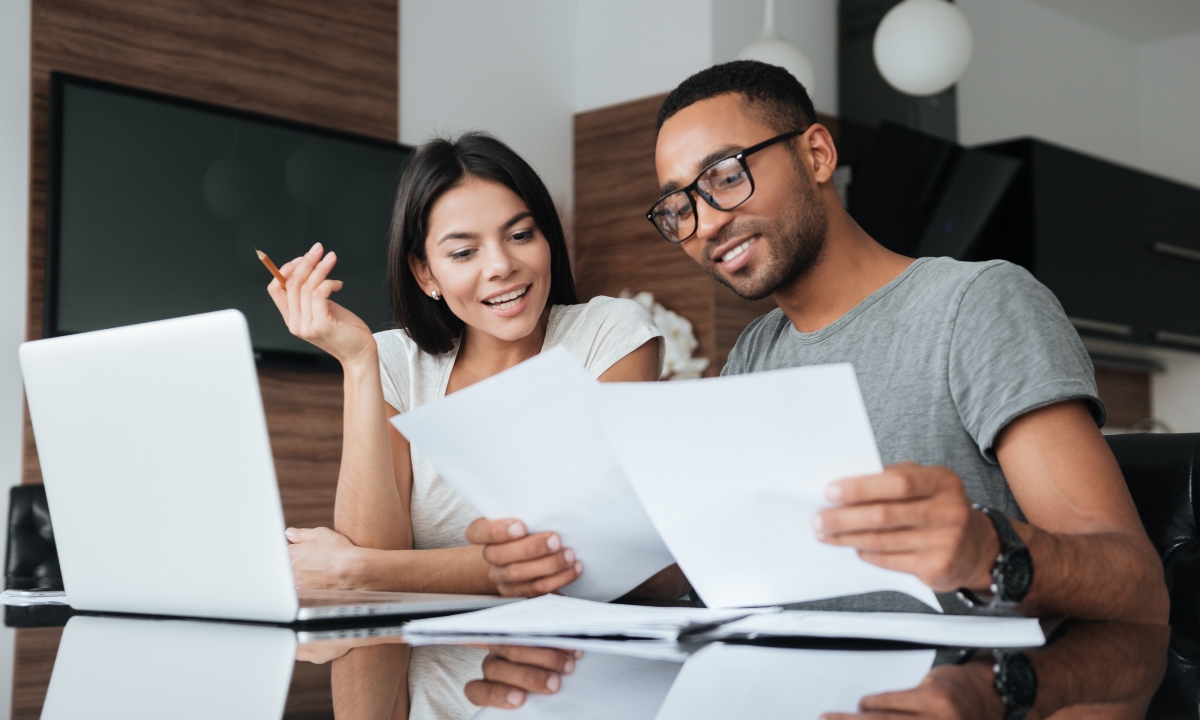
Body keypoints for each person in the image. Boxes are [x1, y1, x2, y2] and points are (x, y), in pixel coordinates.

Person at [469, 61, 1168, 625]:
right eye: (679, 207)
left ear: (816, 153)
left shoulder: (977, 304)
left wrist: (989, 550)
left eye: (724, 176)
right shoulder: (754, 352)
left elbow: (1135, 584)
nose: (705, 223)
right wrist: (566, 561)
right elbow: (725, 575)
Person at [268, 132, 681, 719]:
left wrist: (357, 568)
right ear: (425, 272)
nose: (502, 266)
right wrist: (357, 364)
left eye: (520, 235)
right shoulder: (393, 361)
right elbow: (372, 582)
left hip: (574, 689)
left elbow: (573, 556)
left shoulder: (608, 336)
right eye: (464, 252)